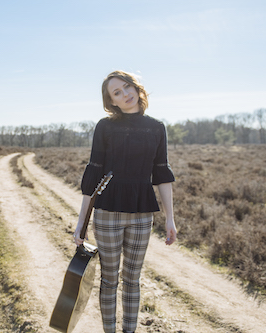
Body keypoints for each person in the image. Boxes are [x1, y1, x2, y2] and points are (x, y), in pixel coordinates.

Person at [73, 70, 177, 333]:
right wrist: (81, 223)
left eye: (127, 87)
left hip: (142, 215)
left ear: (136, 87)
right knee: (109, 280)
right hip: (107, 213)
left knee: (132, 280)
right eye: (116, 92)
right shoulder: (105, 127)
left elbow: (162, 174)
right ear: (112, 102)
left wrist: (170, 220)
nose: (125, 94)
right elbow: (93, 174)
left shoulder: (156, 128)